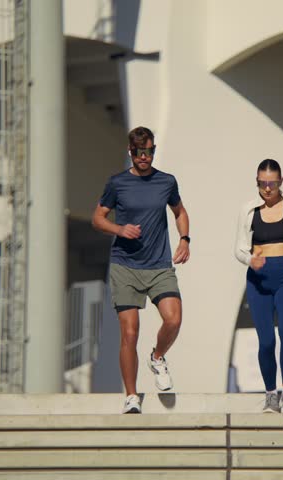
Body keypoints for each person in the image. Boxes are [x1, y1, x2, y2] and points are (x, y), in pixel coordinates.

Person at [92, 126, 190, 414]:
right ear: (130, 152)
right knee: (130, 334)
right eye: (138, 152)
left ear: (154, 150)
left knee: (173, 319)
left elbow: (180, 211)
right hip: (125, 266)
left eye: (148, 151)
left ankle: (157, 357)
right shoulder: (117, 183)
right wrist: (119, 229)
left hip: (159, 264)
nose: (143, 157)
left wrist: (184, 239)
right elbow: (98, 218)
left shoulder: (166, 182)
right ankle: (132, 396)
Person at [234, 159, 283, 414]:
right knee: (266, 341)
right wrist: (250, 259)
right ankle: (271, 395)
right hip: (259, 279)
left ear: (281, 182)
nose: (267, 189)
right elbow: (239, 247)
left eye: (272, 183)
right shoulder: (248, 210)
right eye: (262, 183)